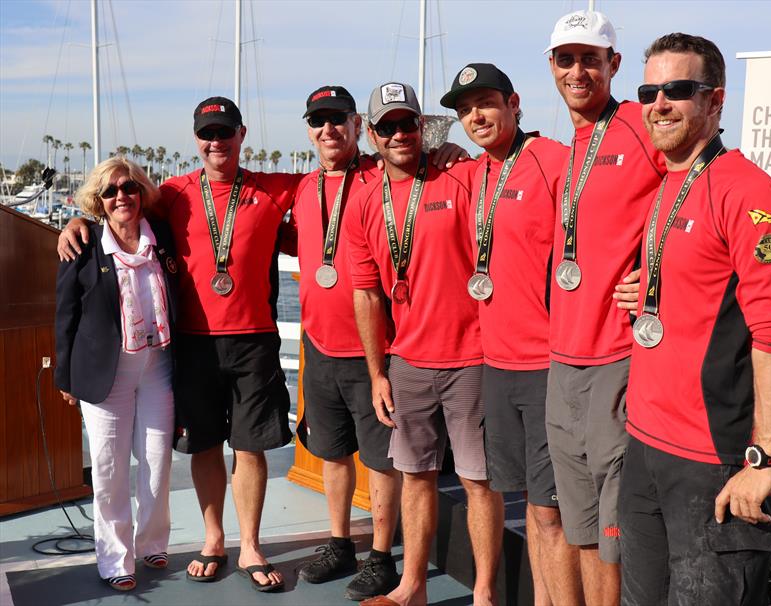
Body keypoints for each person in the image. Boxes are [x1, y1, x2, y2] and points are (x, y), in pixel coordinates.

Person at [58, 97, 299, 592]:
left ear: (241, 134)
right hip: (190, 345)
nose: (217, 141)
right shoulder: (173, 193)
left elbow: (337, 185)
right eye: (208, 132)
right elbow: (110, 221)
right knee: (202, 446)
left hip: (251, 342)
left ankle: (248, 545)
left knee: (245, 450)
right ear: (196, 138)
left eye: (225, 131)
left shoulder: (273, 188)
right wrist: (74, 223)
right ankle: (212, 540)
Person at [620, 33, 771, 605]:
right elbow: (703, 287)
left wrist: (765, 460)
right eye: (650, 90)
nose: (659, 103)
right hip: (645, 446)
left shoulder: (749, 191)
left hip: (711, 462)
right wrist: (649, 292)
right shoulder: (666, 181)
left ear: (715, 101)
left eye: (678, 90)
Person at [345, 82, 504, 606]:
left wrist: (464, 151)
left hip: (474, 359)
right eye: (387, 126)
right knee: (414, 477)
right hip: (408, 362)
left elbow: (508, 162)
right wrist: (377, 373)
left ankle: (483, 594)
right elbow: (367, 296)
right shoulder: (364, 202)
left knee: (481, 482)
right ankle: (411, 587)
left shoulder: (459, 175)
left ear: (423, 127)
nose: (398, 134)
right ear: (371, 135)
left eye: (407, 123)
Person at [440, 63, 582, 605]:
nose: (475, 116)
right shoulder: (476, 173)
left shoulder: (554, 163)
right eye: (464, 109)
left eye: (486, 103)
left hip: (548, 366)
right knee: (525, 505)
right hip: (495, 366)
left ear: (514, 103)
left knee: (551, 513)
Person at [542, 10, 666, 605]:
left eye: (591, 58)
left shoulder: (643, 123)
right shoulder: (571, 146)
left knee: (616, 531)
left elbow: (706, 183)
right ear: (552, 67)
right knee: (583, 527)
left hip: (617, 354)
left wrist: (660, 275)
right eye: (566, 59)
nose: (578, 70)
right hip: (562, 358)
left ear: (614, 64)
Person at [290, 86, 402, 601]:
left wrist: (452, 149)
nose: (328, 129)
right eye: (319, 121)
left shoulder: (380, 179)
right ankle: (340, 545)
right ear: (310, 129)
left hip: (372, 352)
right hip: (319, 348)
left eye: (337, 119)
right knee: (332, 454)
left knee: (380, 459)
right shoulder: (302, 187)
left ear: (357, 124)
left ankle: (381, 558)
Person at [55, 157, 178, 591]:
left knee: (158, 462)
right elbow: (65, 313)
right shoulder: (84, 245)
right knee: (109, 471)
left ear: (141, 191)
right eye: (110, 191)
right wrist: (66, 378)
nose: (120, 196)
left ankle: (151, 542)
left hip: (157, 367)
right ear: (98, 201)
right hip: (106, 375)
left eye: (128, 187)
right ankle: (115, 559)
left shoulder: (162, 237)